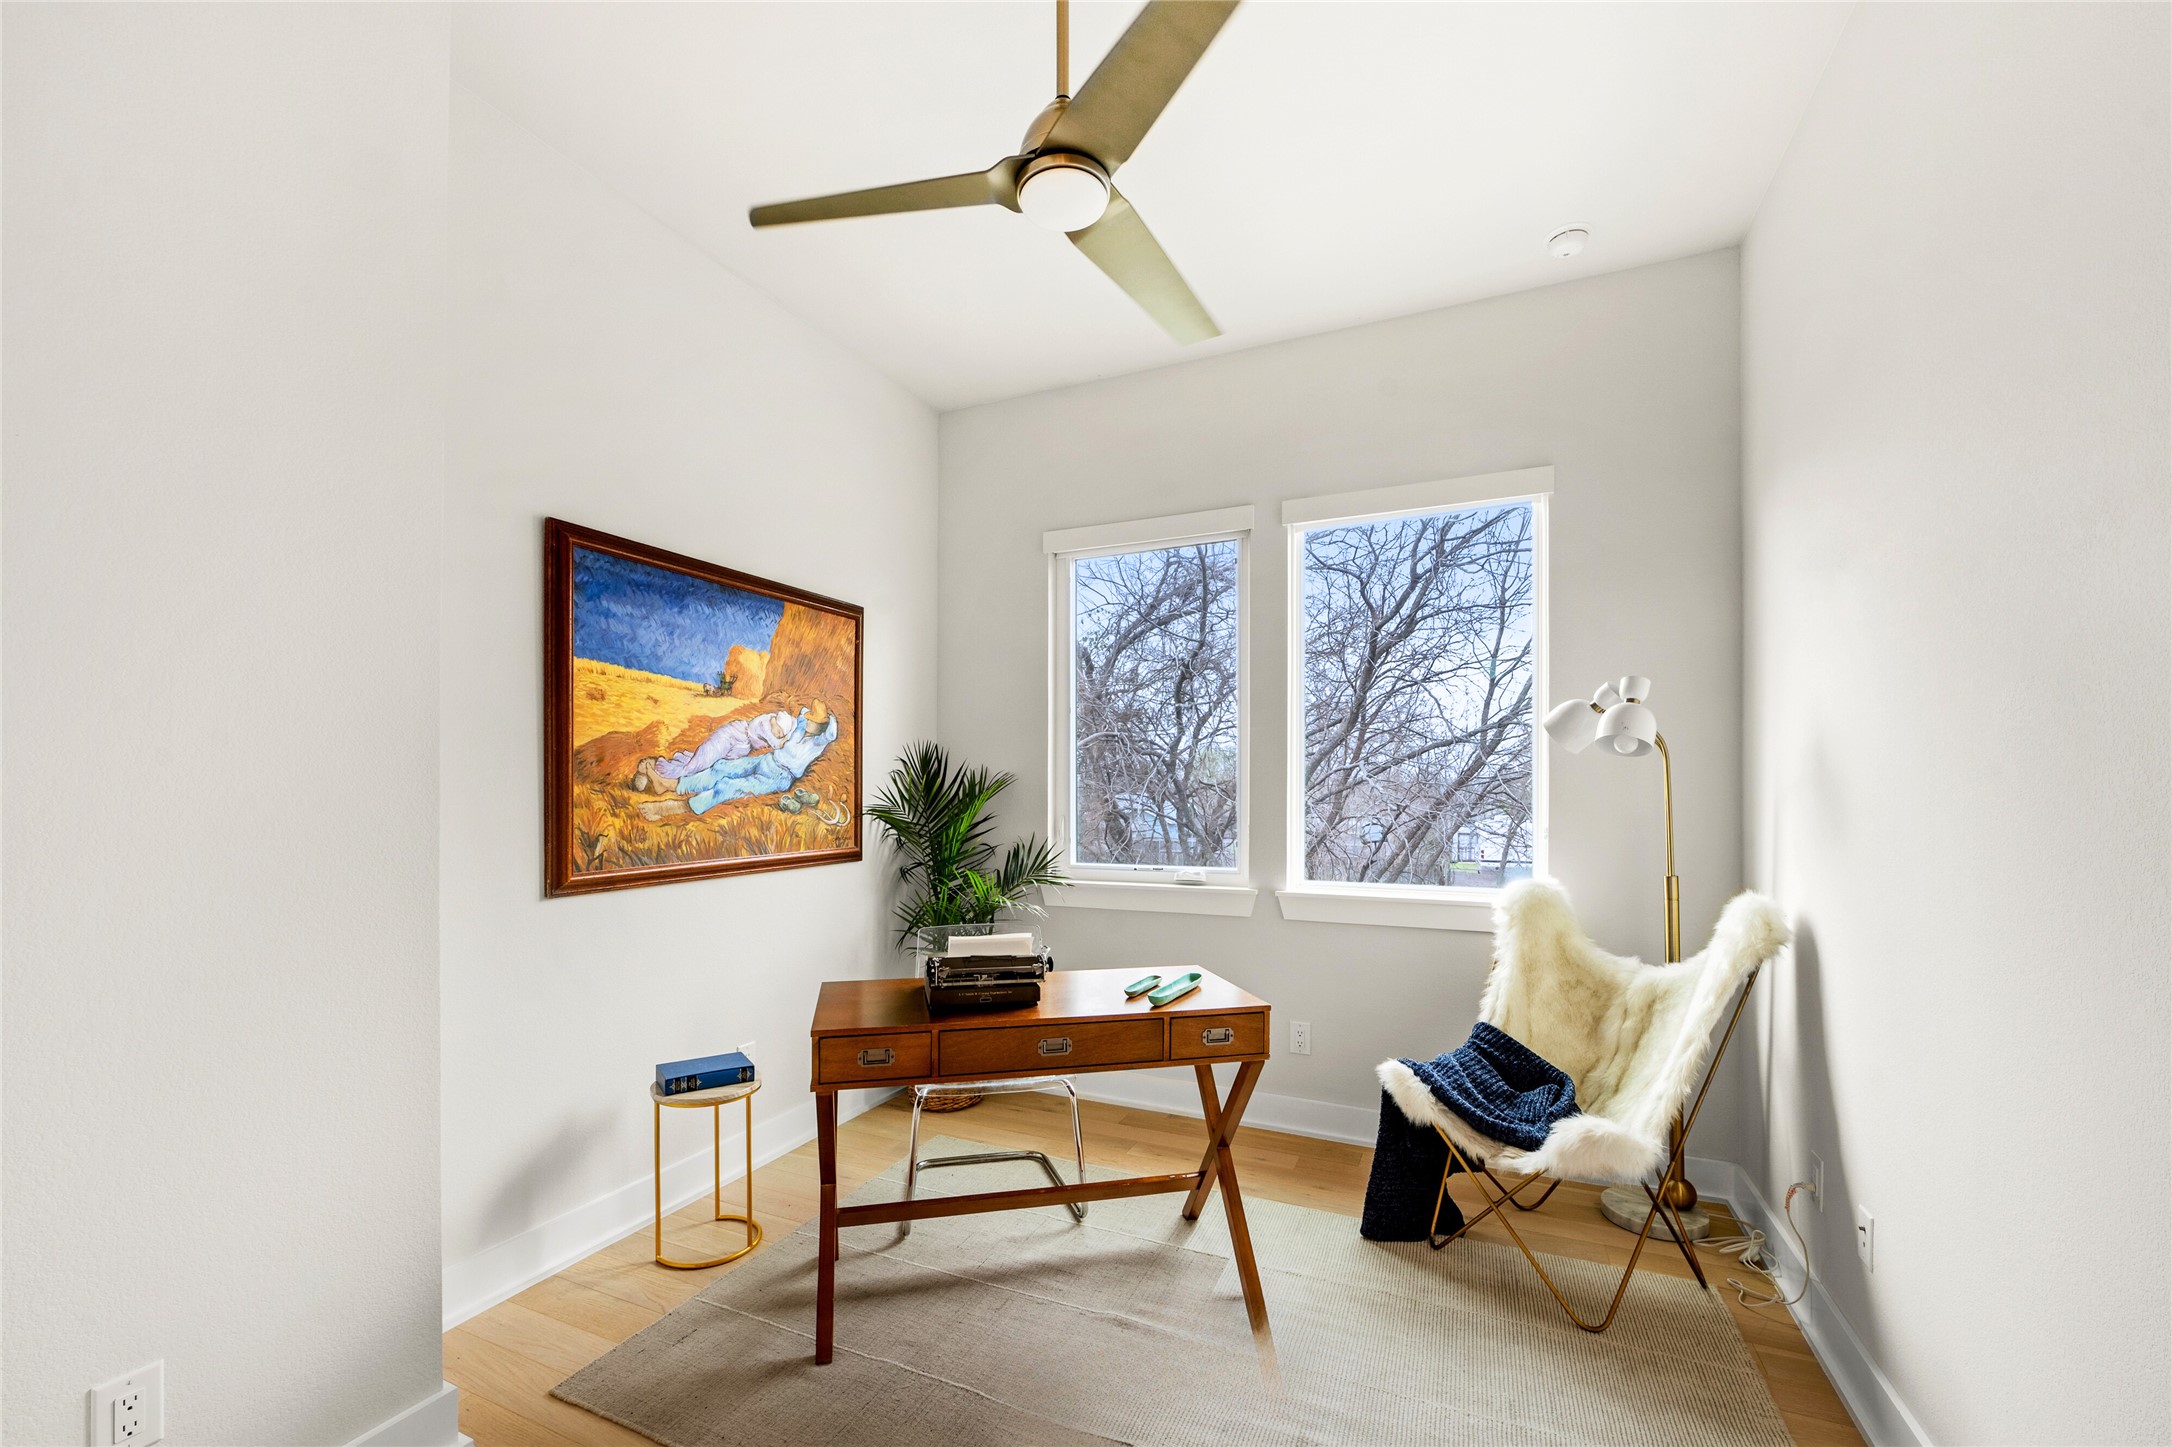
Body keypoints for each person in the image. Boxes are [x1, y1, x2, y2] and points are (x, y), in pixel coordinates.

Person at [672, 706, 838, 816]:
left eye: (813, 721)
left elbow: (832, 732)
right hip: (767, 760)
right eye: (810, 718)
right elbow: (802, 712)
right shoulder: (802, 724)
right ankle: (678, 785)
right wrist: (775, 723)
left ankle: (686, 806)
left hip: (780, 776)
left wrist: (825, 718)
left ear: (822, 726)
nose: (808, 721)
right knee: (722, 767)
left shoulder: (820, 741)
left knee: (730, 785)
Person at [633, 710, 792, 794]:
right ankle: (660, 774)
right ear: (775, 722)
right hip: (732, 735)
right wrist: (781, 740)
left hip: (740, 747)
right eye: (778, 731)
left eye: (780, 734)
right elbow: (775, 743)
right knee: (700, 762)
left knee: (709, 768)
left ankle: (657, 773)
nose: (778, 734)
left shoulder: (772, 725)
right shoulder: (765, 722)